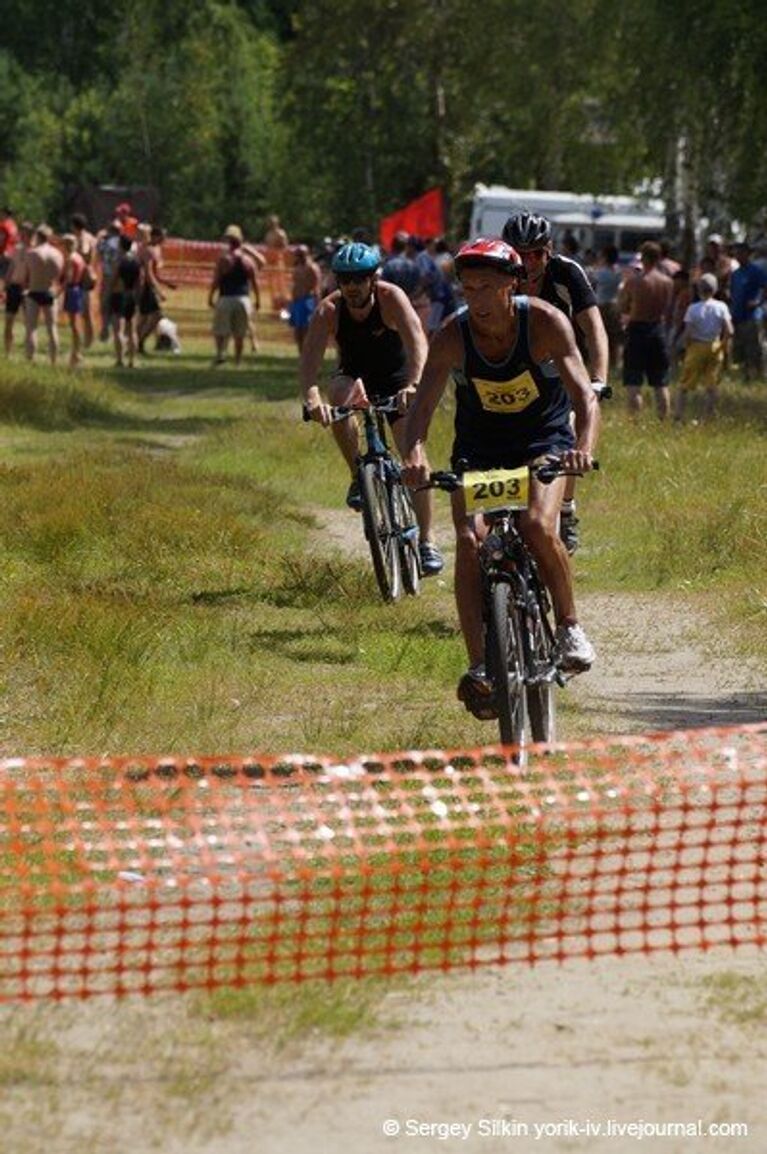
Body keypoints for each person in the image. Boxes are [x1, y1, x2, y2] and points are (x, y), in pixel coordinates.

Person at [401, 237, 599, 719]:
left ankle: (569, 626)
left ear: (512, 285)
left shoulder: (545, 324)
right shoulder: (453, 334)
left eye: (487, 288)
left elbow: (584, 397)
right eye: (468, 289)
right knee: (470, 542)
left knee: (536, 525)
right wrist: (414, 453)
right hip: (481, 449)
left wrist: (582, 450)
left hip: (543, 442)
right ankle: (480, 667)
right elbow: (421, 410)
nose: (477, 300)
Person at [300, 241, 443, 576]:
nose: (351, 286)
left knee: (414, 458)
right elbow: (309, 363)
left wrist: (414, 385)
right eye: (344, 279)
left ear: (373, 278)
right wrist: (311, 399)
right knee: (337, 395)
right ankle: (357, 476)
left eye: (359, 279)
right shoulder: (329, 310)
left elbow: (418, 343)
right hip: (354, 377)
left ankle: (427, 539)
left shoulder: (392, 298)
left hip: (396, 380)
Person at [502, 211, 608, 554]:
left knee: (570, 428)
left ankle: (565, 508)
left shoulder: (566, 273)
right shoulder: (500, 273)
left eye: (534, 254)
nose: (527, 262)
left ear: (548, 251)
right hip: (516, 365)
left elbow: (594, 329)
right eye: (520, 254)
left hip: (564, 363)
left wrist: (598, 379)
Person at [618, 240, 674, 418]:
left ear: (643, 257)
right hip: (658, 329)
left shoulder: (633, 282)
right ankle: (662, 421)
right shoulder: (667, 282)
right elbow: (668, 308)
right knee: (661, 382)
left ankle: (634, 421)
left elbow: (623, 307)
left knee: (634, 381)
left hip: (637, 329)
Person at [674, 272, 732, 422]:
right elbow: (730, 330)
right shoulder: (721, 307)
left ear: (698, 289)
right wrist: (723, 345)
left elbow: (688, 332)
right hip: (714, 346)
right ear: (715, 289)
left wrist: (685, 347)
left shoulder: (693, 308)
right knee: (711, 384)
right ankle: (707, 417)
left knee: (684, 384)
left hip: (696, 346)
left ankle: (679, 416)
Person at [208, 224, 260, 365]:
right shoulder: (248, 261)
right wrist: (258, 300)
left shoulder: (224, 259)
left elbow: (216, 280)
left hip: (226, 298)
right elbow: (255, 282)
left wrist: (210, 296)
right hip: (243, 298)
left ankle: (221, 353)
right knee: (240, 333)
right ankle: (237, 360)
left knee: (220, 330)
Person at [24, 224, 64, 365]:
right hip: (49, 291)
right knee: (52, 328)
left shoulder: (32, 253)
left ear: (38, 236)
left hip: (34, 291)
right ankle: (54, 361)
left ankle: (30, 360)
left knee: (31, 328)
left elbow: (26, 275)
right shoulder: (57, 254)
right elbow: (60, 276)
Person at [729, 240, 767, 381]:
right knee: (741, 348)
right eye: (736, 253)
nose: (738, 255)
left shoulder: (756, 271)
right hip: (738, 315)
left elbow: (765, 288)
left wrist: (758, 302)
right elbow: (733, 293)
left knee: (755, 347)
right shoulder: (736, 274)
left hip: (752, 316)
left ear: (747, 254)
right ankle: (747, 375)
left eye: (741, 253)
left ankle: (761, 374)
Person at [137, 226, 175, 354]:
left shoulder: (156, 249)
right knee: (157, 315)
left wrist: (167, 283)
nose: (164, 239)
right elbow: (148, 274)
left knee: (143, 318)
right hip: (146, 287)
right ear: (155, 236)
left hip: (148, 286)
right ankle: (140, 342)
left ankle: (137, 345)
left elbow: (155, 273)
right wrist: (159, 291)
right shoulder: (148, 250)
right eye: (162, 236)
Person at [108, 233, 142, 368]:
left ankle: (120, 359)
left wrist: (108, 292)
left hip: (119, 295)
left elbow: (113, 279)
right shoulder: (136, 261)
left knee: (118, 330)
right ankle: (132, 360)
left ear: (121, 245)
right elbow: (140, 280)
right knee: (132, 330)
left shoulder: (119, 261)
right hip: (131, 295)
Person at [3, 219, 32, 356]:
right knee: (9, 320)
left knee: (29, 323)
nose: (22, 234)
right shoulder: (17, 249)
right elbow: (11, 268)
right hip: (13, 287)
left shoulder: (34, 251)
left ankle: (28, 353)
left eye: (26, 232)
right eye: (22, 232)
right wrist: (5, 284)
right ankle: (8, 352)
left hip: (27, 289)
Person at [59, 233, 87, 367]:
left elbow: (68, 278)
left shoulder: (70, 259)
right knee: (76, 323)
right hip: (78, 289)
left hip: (71, 290)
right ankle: (76, 352)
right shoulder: (79, 257)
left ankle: (76, 353)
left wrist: (58, 292)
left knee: (74, 324)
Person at [71, 213, 97, 348]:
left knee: (86, 312)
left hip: (84, 277)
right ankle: (87, 340)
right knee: (84, 312)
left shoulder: (83, 238)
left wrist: (76, 253)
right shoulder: (89, 236)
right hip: (86, 276)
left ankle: (88, 341)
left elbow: (87, 254)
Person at [288, 245, 320, 351]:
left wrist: (317, 304)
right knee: (297, 330)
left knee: (306, 330)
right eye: (297, 254)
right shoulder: (297, 267)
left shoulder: (312, 267)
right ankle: (301, 354)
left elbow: (316, 286)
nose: (298, 257)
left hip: (307, 301)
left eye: (300, 254)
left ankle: (309, 353)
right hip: (296, 302)